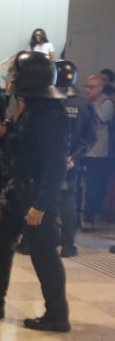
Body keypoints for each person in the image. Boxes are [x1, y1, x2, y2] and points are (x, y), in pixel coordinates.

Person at [0, 51, 70, 332]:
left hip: (36, 198)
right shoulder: (33, 107)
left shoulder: (50, 113)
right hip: (20, 193)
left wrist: (42, 204)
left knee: (44, 253)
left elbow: (55, 164)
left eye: (17, 75)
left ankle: (57, 315)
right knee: (0, 246)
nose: (12, 79)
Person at [53, 60, 96, 257]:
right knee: (69, 200)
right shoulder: (84, 103)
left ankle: (36, 241)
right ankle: (68, 246)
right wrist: (73, 157)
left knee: (42, 199)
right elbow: (90, 137)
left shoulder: (49, 100)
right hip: (72, 161)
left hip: (48, 160)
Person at [83, 74, 113, 232]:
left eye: (91, 87)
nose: (88, 90)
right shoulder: (85, 102)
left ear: (101, 88)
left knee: (93, 187)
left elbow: (95, 122)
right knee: (77, 186)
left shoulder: (106, 103)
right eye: (86, 86)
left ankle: (89, 219)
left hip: (98, 153)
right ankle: (76, 217)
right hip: (83, 151)